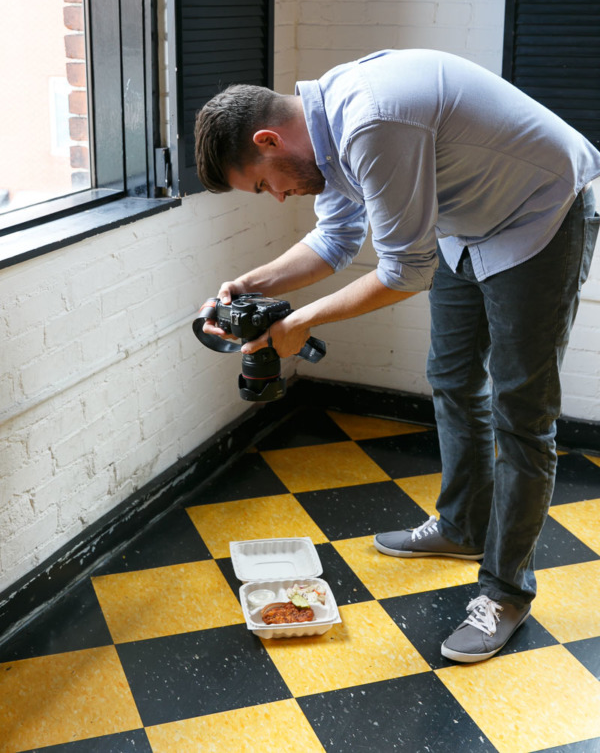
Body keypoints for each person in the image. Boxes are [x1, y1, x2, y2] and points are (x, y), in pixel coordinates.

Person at [194, 49, 600, 662]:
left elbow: (405, 272)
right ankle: (463, 527)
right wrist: (255, 286)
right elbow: (334, 239)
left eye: (262, 184)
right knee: (453, 379)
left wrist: (301, 322)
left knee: (522, 410)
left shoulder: (371, 123)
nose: (275, 197)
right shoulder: (326, 131)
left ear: (270, 139)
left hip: (540, 215)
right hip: (467, 224)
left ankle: (506, 591)